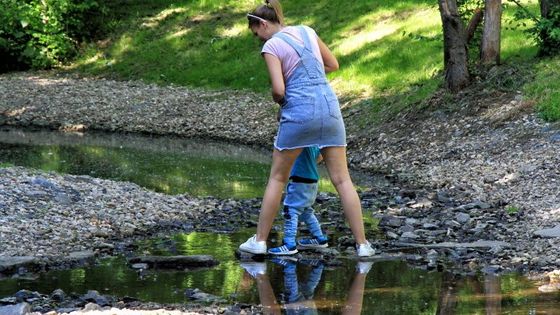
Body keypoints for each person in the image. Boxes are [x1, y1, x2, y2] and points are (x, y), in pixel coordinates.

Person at [239, 0, 375, 257]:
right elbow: (333, 65)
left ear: (264, 24)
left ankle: (259, 241)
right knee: (343, 180)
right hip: (329, 108)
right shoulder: (307, 31)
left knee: (278, 178)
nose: (259, 39)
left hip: (299, 113)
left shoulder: (272, 46)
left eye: (257, 34)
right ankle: (363, 245)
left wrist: (279, 101)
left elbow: (279, 89)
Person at [268, 146, 328, 255]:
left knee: (290, 210)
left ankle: (289, 244)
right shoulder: (314, 142)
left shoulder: (299, 138)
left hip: (299, 180)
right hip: (313, 180)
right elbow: (320, 156)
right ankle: (319, 238)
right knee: (306, 211)